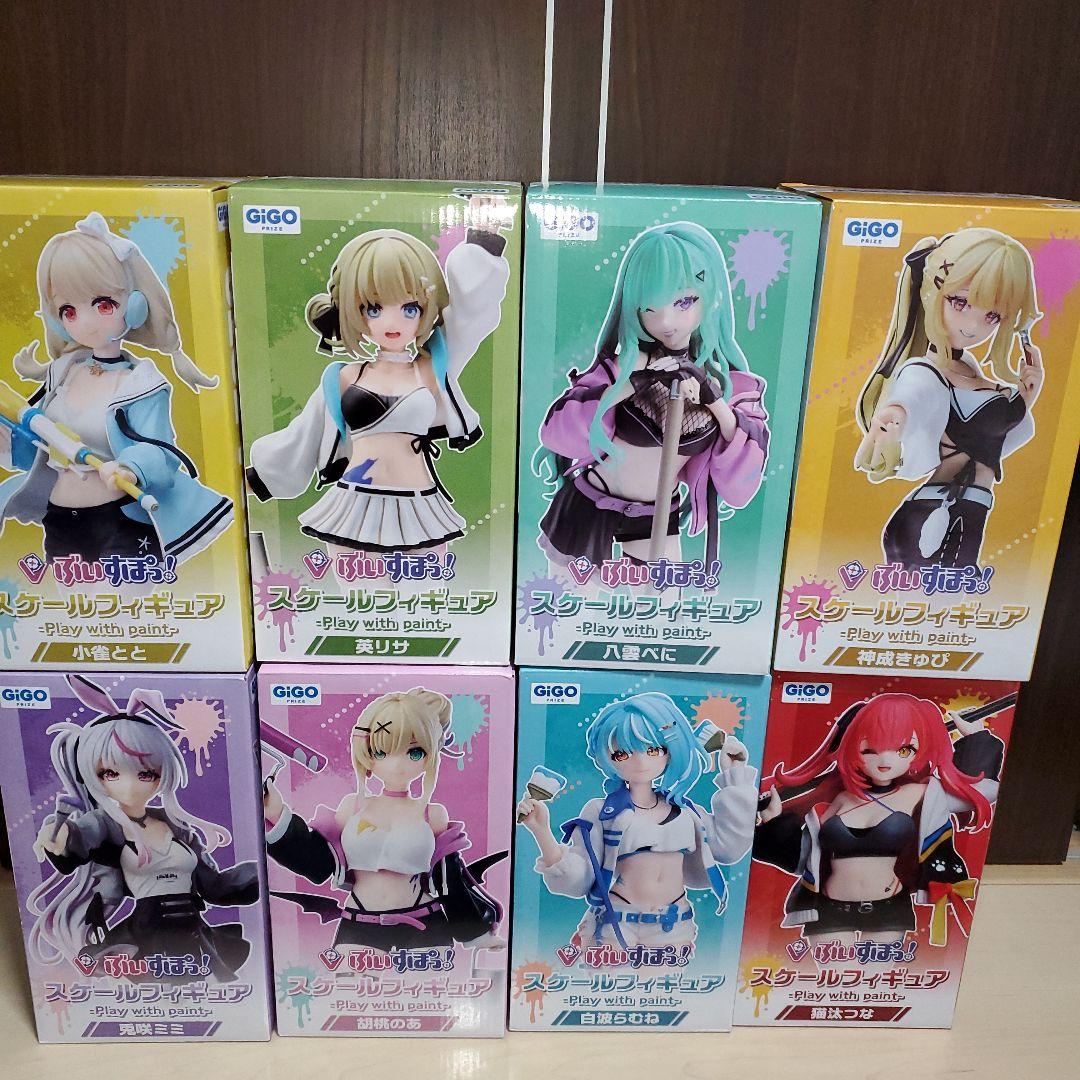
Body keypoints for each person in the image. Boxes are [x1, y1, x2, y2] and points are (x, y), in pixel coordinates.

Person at [0, 212, 231, 564]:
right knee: (74, 599)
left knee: (122, 597)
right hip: (60, 519)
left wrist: (130, 468)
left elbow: (161, 452)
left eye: (102, 304)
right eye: (68, 311)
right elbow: (40, 448)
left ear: (134, 305)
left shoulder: (140, 384)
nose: (86, 322)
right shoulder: (63, 375)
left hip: (119, 518)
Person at [534, 221, 768, 567]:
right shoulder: (624, 365)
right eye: (649, 308)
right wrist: (634, 382)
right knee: (571, 598)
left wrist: (712, 399)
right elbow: (557, 432)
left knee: (663, 596)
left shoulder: (733, 386)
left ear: (711, 295)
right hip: (590, 501)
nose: (666, 322)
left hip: (655, 515)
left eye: (684, 301)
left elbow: (741, 486)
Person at [855, 228, 1042, 569]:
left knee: (952, 592)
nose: (973, 326)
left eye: (992, 315)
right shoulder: (926, 371)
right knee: (927, 592)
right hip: (929, 516)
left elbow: (998, 435)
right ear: (933, 293)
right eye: (960, 302)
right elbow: (916, 393)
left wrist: (1028, 395)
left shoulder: (967, 367)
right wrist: (897, 413)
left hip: (969, 507)